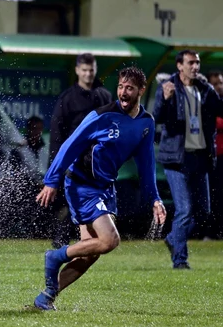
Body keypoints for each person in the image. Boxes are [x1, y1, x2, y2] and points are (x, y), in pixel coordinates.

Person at [33, 67, 166, 311]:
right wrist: (52, 180)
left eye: (130, 88)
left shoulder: (146, 123)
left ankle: (46, 297)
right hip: (81, 184)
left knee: (89, 254)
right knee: (109, 240)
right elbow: (69, 146)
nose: (123, 93)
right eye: (120, 87)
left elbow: (147, 165)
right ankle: (55, 257)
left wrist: (155, 199)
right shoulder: (101, 116)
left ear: (141, 91)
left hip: (105, 187)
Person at [153, 50, 223, 269]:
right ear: (179, 65)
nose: (195, 66)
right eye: (191, 62)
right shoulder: (168, 88)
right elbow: (158, 117)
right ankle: (180, 260)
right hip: (176, 159)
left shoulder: (206, 89)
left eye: (197, 63)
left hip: (200, 158)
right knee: (184, 210)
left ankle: (174, 238)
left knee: (203, 211)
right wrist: (165, 99)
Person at [48, 53, 112, 248]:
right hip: (73, 161)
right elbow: (57, 134)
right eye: (84, 70)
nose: (88, 74)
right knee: (70, 203)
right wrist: (55, 166)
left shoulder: (105, 96)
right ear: (77, 71)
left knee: (97, 202)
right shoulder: (67, 99)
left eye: (91, 70)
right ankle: (61, 242)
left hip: (98, 162)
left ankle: (89, 241)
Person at [205, 70, 223, 240]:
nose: (219, 87)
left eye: (221, 83)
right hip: (213, 157)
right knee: (214, 195)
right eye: (215, 83)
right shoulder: (206, 103)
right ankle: (211, 231)